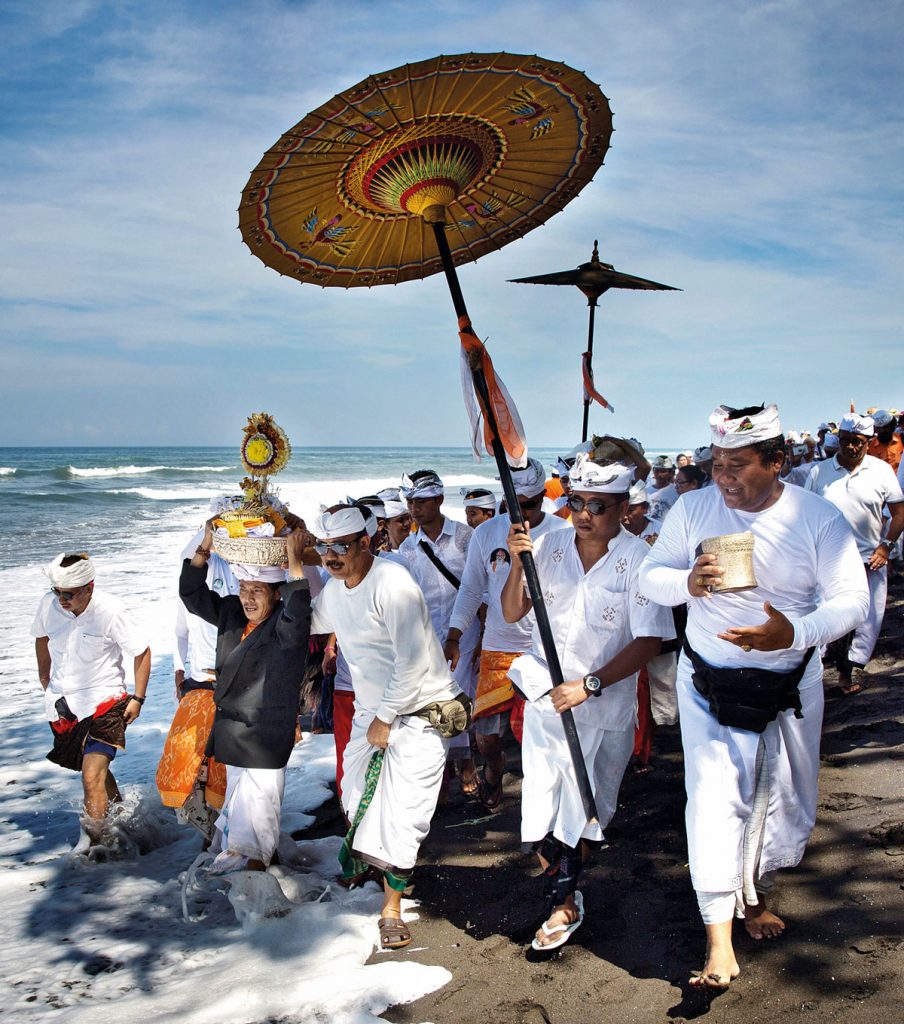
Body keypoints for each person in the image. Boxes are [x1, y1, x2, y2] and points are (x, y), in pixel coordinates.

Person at [638, 403, 869, 989]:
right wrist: (686, 582)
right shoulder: (693, 509)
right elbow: (650, 574)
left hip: (792, 682)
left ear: (777, 461)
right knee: (713, 800)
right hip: (707, 681)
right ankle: (719, 942)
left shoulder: (818, 519)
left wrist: (792, 633)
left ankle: (755, 898)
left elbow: (852, 602)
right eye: (716, 464)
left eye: (737, 466)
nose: (723, 478)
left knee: (781, 800)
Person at [502, 455, 674, 950]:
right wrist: (519, 563)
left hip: (603, 704)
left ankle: (565, 897)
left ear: (623, 508)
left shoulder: (642, 560)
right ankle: (564, 890)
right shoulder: (547, 546)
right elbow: (514, 610)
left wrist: (590, 684)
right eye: (576, 501)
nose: (583, 514)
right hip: (547, 699)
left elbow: (648, 642)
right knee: (541, 806)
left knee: (584, 805)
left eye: (597, 505)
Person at [303, 505, 467, 950]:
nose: (332, 557)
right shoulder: (336, 591)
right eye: (325, 548)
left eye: (340, 547)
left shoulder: (392, 584)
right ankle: (375, 871)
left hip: (417, 714)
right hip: (371, 715)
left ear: (366, 543)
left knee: (403, 816)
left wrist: (385, 717)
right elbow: (308, 620)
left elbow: (411, 662)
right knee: (356, 798)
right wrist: (293, 563)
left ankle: (391, 907)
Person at [179, 522, 312, 873]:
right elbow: (191, 595)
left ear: (276, 594)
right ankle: (254, 867)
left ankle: (257, 873)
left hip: (267, 731)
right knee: (241, 806)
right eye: (243, 588)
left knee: (260, 807)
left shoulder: (287, 624)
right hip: (232, 729)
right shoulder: (231, 613)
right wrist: (206, 546)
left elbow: (300, 607)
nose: (248, 598)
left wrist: (295, 560)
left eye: (257, 590)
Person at [446, 458, 570, 809]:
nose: (523, 514)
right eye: (515, 506)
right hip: (498, 648)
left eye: (530, 505)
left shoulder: (562, 535)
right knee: (486, 738)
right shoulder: (487, 534)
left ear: (542, 498)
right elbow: (471, 588)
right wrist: (455, 635)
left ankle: (546, 800)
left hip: (545, 651)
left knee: (544, 735)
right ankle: (493, 770)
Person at [31, 552, 151, 849]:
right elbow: (41, 638)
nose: (61, 599)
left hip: (107, 701)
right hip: (65, 705)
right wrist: (44, 677)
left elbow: (142, 651)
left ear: (89, 587)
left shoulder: (112, 611)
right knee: (94, 772)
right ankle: (122, 819)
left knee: (90, 775)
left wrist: (138, 697)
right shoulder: (49, 604)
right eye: (57, 591)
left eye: (68, 594)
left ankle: (97, 848)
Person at [804, 414, 904, 694]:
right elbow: (803, 514)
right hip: (828, 559)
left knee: (869, 616)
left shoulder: (882, 471)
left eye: (857, 442)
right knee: (825, 614)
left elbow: (899, 513)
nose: (850, 447)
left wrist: (886, 545)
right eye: (846, 441)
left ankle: (854, 669)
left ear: (868, 442)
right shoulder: (818, 472)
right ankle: (816, 669)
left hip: (871, 558)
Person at [399, 469, 479, 793]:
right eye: (410, 502)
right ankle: (444, 767)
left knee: (460, 692)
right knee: (435, 698)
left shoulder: (464, 538)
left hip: (466, 630)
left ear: (439, 500)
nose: (414, 508)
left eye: (420, 501)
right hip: (429, 634)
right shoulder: (407, 548)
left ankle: (466, 760)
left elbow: (478, 584)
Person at [647, 455, 679, 522]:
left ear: (670, 473)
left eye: (663, 471)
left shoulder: (676, 491)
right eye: (657, 470)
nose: (659, 474)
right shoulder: (646, 491)